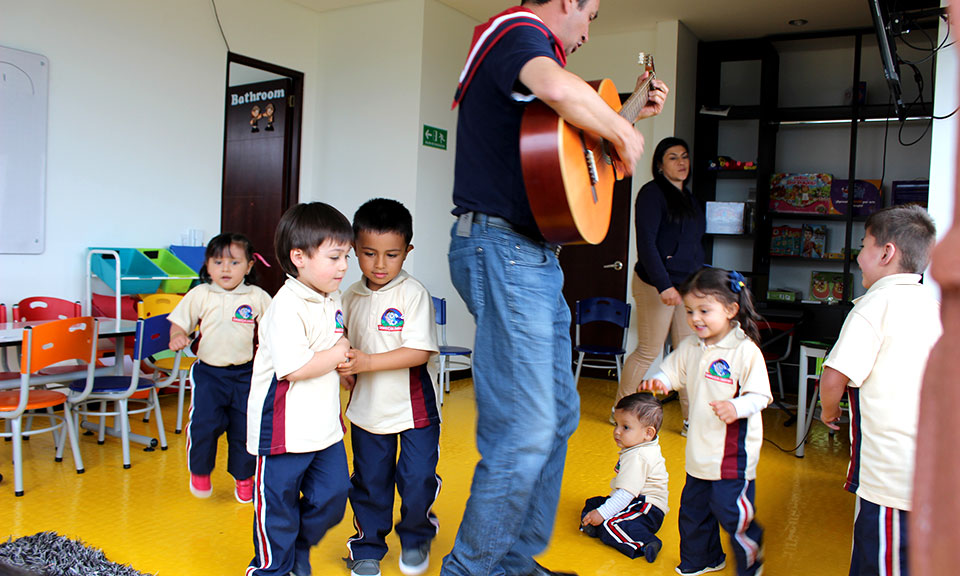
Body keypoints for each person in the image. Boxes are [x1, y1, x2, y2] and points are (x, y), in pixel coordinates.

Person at [445, 1, 668, 575]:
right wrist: (618, 125)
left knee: (561, 415)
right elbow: (556, 86)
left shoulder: (537, 78)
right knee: (526, 426)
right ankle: (472, 569)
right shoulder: (519, 31)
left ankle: (513, 561)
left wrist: (627, 114)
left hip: (530, 255)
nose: (588, 31)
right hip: (503, 249)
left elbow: (567, 146)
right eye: (588, 14)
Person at [818, 204, 940, 576]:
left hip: (890, 475)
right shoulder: (933, 306)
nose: (858, 255)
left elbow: (834, 375)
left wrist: (828, 411)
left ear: (887, 253)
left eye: (864, 244)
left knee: (880, 560)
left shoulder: (873, 307)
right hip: (931, 467)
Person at [245, 202, 354, 576]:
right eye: (335, 256)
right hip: (283, 431)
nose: (343, 266)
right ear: (299, 257)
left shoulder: (331, 297)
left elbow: (327, 346)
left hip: (323, 427)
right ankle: (272, 568)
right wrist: (339, 352)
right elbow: (295, 368)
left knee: (334, 496)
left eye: (346, 257)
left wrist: (341, 369)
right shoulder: (285, 306)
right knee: (277, 506)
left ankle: (296, 549)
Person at [639, 267, 771, 576]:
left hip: (731, 457)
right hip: (699, 452)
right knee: (694, 513)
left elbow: (761, 396)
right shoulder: (691, 347)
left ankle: (751, 557)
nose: (695, 318)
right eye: (689, 311)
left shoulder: (744, 351)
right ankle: (704, 558)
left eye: (704, 310)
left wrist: (737, 407)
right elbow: (671, 372)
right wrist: (659, 381)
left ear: (730, 310)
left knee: (731, 513)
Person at [337, 198, 441, 576]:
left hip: (414, 410)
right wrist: (345, 369)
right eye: (369, 253)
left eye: (392, 255)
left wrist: (367, 362)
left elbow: (418, 352)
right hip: (367, 410)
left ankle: (415, 537)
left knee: (415, 481)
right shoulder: (349, 296)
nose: (380, 265)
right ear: (353, 250)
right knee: (369, 483)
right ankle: (366, 547)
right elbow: (341, 343)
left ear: (407, 252)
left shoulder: (412, 294)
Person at [168, 232, 272, 503]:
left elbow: (275, 328)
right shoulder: (201, 294)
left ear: (249, 266)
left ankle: (244, 477)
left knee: (244, 429)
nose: (225, 269)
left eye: (234, 263)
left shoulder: (257, 296)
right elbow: (180, 322)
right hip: (209, 375)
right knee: (205, 425)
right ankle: (200, 471)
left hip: (245, 375)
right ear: (207, 265)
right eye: (218, 262)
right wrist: (177, 334)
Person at [622, 137, 704, 434]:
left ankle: (690, 420)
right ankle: (622, 411)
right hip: (655, 284)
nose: (681, 162)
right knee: (649, 349)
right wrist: (663, 285)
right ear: (659, 164)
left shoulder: (690, 199)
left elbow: (695, 246)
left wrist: (698, 286)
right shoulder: (651, 194)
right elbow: (646, 243)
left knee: (687, 352)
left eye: (684, 156)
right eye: (672, 157)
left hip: (687, 289)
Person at [579, 392, 668, 563]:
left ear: (648, 433)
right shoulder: (638, 446)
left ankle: (647, 542)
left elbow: (626, 494)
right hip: (633, 501)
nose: (617, 432)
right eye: (617, 424)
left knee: (609, 524)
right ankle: (595, 525)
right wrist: (599, 510)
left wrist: (602, 513)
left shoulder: (639, 456)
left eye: (625, 427)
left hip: (646, 508)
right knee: (593, 503)